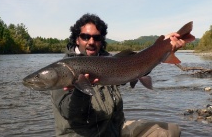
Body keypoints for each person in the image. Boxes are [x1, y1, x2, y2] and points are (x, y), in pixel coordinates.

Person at [50, 13, 185, 137]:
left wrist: (162, 46)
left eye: (96, 38)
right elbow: (71, 114)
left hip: (114, 130)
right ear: (77, 39)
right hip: (82, 135)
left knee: (170, 131)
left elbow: (135, 66)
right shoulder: (63, 70)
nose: (91, 42)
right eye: (85, 36)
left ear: (101, 41)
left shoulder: (108, 62)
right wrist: (81, 90)